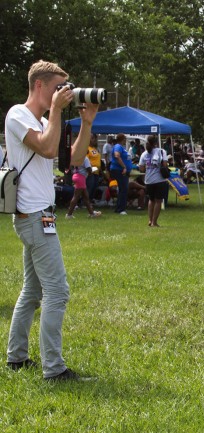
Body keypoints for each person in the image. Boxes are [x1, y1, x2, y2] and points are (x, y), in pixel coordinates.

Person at [4, 60, 98, 380]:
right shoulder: (18, 114)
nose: (65, 93)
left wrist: (86, 123)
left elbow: (72, 159)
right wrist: (56, 112)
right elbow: (45, 148)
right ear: (41, 85)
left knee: (32, 290)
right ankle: (54, 369)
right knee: (57, 292)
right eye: (60, 87)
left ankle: (16, 358)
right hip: (33, 216)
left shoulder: (45, 120)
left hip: (38, 216)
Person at [138, 135, 169, 227]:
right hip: (160, 180)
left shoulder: (144, 154)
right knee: (158, 201)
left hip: (149, 181)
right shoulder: (161, 151)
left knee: (151, 200)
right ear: (156, 142)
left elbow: (141, 169)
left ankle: (150, 220)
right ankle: (154, 222)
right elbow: (165, 164)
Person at [65, 155, 102, 219]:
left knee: (86, 197)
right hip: (81, 177)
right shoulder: (85, 158)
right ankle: (69, 215)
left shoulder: (75, 157)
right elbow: (89, 169)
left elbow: (71, 167)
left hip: (76, 175)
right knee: (76, 196)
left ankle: (92, 213)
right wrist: (91, 172)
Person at [109, 133, 131, 215]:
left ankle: (119, 208)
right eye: (125, 139)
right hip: (120, 170)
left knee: (122, 189)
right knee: (123, 189)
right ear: (122, 139)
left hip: (122, 170)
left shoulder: (122, 147)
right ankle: (121, 209)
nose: (125, 140)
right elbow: (117, 156)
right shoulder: (118, 146)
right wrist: (124, 167)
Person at [86, 133, 102, 203]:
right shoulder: (87, 148)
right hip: (90, 171)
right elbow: (86, 160)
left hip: (97, 172)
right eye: (92, 138)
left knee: (94, 187)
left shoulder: (95, 149)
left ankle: (90, 201)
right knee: (90, 187)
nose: (94, 140)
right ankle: (85, 202)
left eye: (94, 138)